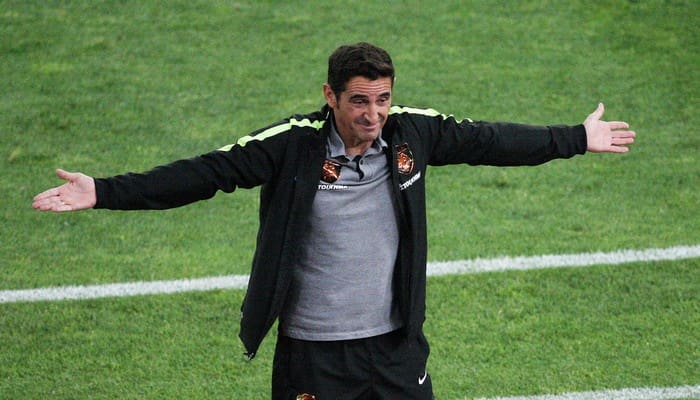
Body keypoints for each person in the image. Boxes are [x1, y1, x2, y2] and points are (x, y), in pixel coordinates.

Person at [32, 42, 635, 399]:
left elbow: (490, 140)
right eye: (359, 101)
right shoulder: (291, 145)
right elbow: (205, 173)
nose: (373, 114)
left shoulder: (412, 133)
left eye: (382, 99)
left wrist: (575, 138)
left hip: (395, 347)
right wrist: (103, 191)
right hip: (313, 352)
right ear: (331, 96)